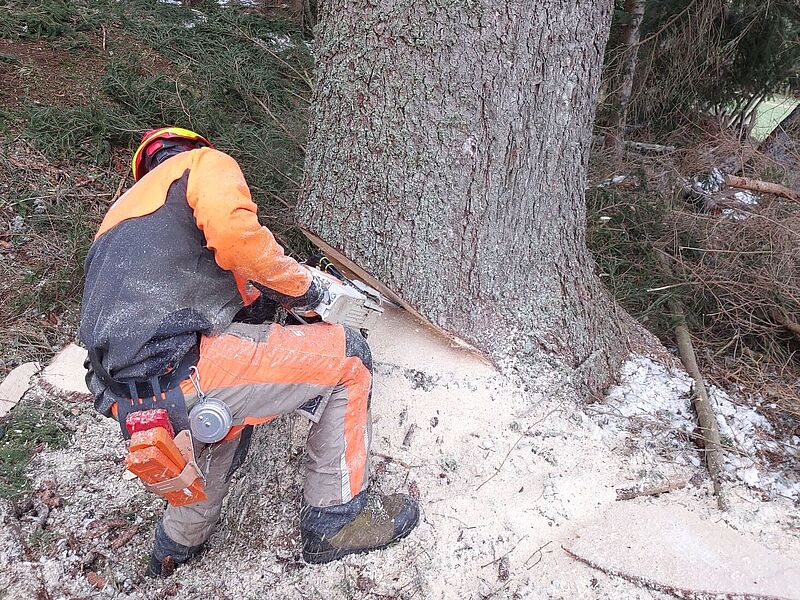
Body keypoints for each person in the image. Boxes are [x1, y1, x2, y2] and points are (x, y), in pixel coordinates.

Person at [79, 127, 419, 576]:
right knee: (350, 359)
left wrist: (271, 300)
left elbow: (231, 298)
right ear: (190, 147)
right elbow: (238, 241)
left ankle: (175, 547)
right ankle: (335, 523)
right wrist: (311, 289)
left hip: (122, 396)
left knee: (217, 425)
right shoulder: (200, 166)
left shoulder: (115, 225)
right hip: (187, 370)